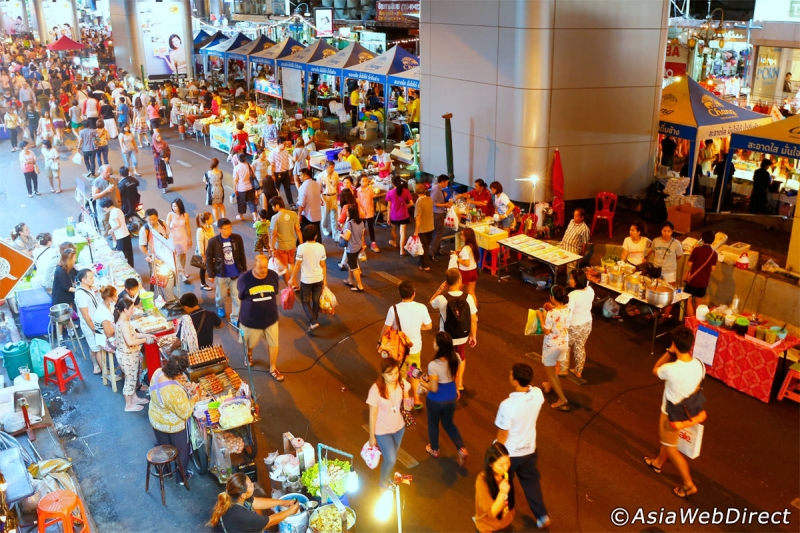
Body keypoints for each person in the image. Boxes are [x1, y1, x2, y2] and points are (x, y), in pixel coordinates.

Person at [643, 327, 702, 499]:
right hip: (688, 410)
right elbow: (698, 386)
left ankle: (688, 485)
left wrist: (669, 351)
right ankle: (658, 462)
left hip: (671, 414)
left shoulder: (671, 368)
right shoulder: (698, 364)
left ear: (675, 345)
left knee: (672, 447)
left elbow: (656, 369)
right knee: (669, 441)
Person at [494, 363, 551, 529]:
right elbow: (534, 392)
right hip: (529, 449)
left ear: (515, 381)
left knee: (505, 484)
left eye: (511, 374)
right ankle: (541, 515)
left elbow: (502, 434)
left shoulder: (507, 405)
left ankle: (506, 512)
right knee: (531, 482)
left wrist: (496, 453)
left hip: (510, 454)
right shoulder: (538, 394)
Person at [418, 331, 468, 466]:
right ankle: (461, 448)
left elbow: (433, 388)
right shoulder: (456, 357)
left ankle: (434, 449)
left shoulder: (434, 365)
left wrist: (423, 382)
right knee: (449, 424)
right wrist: (456, 389)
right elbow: (456, 376)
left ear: (439, 346)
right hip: (451, 396)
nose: (433, 343)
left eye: (435, 342)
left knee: (433, 424)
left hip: (436, 400)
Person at [379, 280, 432, 408]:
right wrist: (418, 328)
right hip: (415, 348)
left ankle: (407, 400)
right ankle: (417, 399)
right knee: (414, 372)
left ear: (399, 293)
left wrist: (380, 342)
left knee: (401, 375)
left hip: (399, 350)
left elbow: (386, 329)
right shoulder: (421, 307)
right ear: (414, 294)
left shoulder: (394, 309)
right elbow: (429, 326)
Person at [148, 356, 198, 485]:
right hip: (173, 425)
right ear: (178, 372)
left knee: (163, 446)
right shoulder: (173, 390)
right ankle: (182, 477)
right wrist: (194, 398)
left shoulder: (157, 372)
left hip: (156, 420)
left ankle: (164, 470)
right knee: (182, 450)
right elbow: (185, 412)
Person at [430, 268, 478, 391]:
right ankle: (459, 381)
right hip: (462, 334)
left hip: (447, 336)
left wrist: (440, 290)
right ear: (459, 280)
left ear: (446, 282)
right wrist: (473, 335)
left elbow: (431, 302)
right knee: (461, 355)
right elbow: (473, 318)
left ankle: (447, 380)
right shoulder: (468, 297)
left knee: (446, 356)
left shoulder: (442, 299)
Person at [367, 358, 411, 488]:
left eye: (396, 373)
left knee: (392, 458)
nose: (394, 377)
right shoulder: (375, 390)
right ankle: (383, 483)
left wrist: (411, 402)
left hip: (399, 427)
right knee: (391, 459)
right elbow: (372, 414)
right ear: (383, 373)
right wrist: (371, 436)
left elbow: (408, 404)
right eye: (390, 374)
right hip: (382, 431)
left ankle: (388, 478)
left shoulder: (402, 383)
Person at [207, 472, 300, 532]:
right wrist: (290, 511)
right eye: (250, 485)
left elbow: (256, 502)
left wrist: (283, 502)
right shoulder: (242, 515)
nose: (253, 484)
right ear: (243, 495)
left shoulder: (234, 495)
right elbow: (270, 522)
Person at [238, 255, 282, 380]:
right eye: (261, 267)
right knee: (251, 343)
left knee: (274, 343)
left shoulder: (273, 275)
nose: (263, 270)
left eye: (265, 267)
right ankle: (249, 354)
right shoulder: (245, 279)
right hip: (251, 320)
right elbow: (241, 295)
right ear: (254, 266)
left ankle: (273, 367)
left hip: (271, 318)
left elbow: (275, 291)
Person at [115, 297, 155, 412]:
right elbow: (130, 341)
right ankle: (129, 405)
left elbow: (134, 335)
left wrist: (147, 335)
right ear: (125, 310)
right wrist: (145, 340)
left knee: (133, 378)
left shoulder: (124, 321)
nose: (134, 310)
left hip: (130, 355)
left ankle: (134, 398)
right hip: (127, 356)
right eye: (132, 308)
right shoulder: (124, 324)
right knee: (130, 380)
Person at [537, 285, 571, 411]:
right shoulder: (568, 309)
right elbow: (560, 318)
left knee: (550, 372)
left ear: (552, 297)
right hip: (563, 343)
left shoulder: (551, 314)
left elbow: (546, 331)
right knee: (555, 366)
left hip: (551, 346)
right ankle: (548, 386)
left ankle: (562, 399)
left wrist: (541, 316)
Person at [206, 218, 246, 322]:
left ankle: (235, 317)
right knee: (221, 296)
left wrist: (244, 270)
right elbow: (209, 258)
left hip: (236, 273)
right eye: (226, 228)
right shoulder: (213, 242)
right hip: (221, 274)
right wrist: (210, 274)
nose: (229, 230)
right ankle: (220, 307)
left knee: (236, 297)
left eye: (230, 227)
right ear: (220, 230)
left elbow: (242, 254)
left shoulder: (237, 238)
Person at [292, 225, 327, 332]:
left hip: (306, 279)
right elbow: (323, 265)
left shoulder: (301, 247)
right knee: (316, 300)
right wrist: (325, 280)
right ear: (316, 236)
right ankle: (314, 319)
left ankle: (313, 321)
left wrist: (292, 278)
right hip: (318, 278)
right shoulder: (321, 247)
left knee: (305, 300)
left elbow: (297, 264)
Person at [475, 442, 516, 533]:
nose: (506, 468)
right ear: (490, 464)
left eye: (508, 462)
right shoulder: (482, 481)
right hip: (489, 528)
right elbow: (492, 512)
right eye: (501, 465)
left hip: (506, 524)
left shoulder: (505, 475)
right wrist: (502, 492)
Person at [561, 269, 594, 380]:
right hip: (587, 323)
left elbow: (568, 313)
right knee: (580, 347)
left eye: (571, 279)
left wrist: (564, 327)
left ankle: (563, 369)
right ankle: (578, 371)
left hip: (575, 325)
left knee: (566, 347)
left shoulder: (573, 295)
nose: (569, 280)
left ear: (577, 281)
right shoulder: (590, 290)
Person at [647, 221, 683, 322]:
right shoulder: (656, 241)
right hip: (657, 271)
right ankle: (655, 313)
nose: (666, 233)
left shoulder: (676, 244)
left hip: (670, 272)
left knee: (668, 294)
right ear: (661, 230)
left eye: (669, 231)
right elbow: (653, 251)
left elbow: (679, 256)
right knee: (655, 292)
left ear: (672, 232)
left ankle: (666, 315)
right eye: (664, 230)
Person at [270, 196, 302, 289]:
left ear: (277, 205)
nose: (272, 208)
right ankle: (295, 282)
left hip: (281, 246)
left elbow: (274, 234)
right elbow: (298, 230)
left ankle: (290, 285)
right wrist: (301, 243)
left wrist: (272, 248)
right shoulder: (293, 214)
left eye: (273, 206)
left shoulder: (275, 218)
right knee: (291, 264)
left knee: (284, 267)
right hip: (292, 245)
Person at [74, 268, 103, 374]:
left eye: (93, 277)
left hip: (95, 322)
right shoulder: (81, 294)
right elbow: (85, 315)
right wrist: (93, 329)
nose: (93, 279)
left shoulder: (88, 288)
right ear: (83, 279)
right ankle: (105, 372)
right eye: (90, 278)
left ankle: (96, 366)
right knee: (97, 348)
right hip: (90, 324)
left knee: (94, 347)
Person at [683, 230, 717, 317]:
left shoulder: (697, 250)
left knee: (689, 300)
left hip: (693, 280)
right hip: (704, 281)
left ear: (702, 239)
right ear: (713, 241)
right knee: (699, 301)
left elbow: (689, 264)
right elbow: (713, 269)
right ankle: (696, 321)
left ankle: (690, 320)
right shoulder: (714, 253)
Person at [100, 198, 133, 267]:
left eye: (103, 208)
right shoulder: (118, 210)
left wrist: (111, 230)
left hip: (121, 236)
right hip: (125, 234)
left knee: (122, 256)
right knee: (128, 254)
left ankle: (126, 269)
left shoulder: (113, 212)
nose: (104, 210)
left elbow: (118, 224)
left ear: (106, 207)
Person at [385, 175, 414, 255]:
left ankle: (394, 242)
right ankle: (402, 250)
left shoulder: (390, 193)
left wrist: (388, 217)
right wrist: (405, 206)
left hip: (394, 215)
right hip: (404, 215)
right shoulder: (405, 191)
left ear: (392, 183)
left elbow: (389, 206)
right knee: (403, 232)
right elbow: (411, 203)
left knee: (393, 229)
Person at [342, 205, 366, 292]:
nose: (346, 213)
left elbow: (347, 237)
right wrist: (363, 246)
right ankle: (350, 280)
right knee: (351, 264)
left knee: (354, 267)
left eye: (348, 212)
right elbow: (362, 235)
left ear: (351, 213)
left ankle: (360, 286)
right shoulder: (361, 222)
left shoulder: (349, 224)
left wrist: (341, 235)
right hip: (358, 246)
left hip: (351, 248)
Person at [454, 227, 479, 307]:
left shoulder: (465, 248)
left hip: (464, 272)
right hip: (473, 271)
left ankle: (457, 308)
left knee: (457, 291)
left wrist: (457, 258)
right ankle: (474, 312)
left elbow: (466, 263)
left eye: (462, 235)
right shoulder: (473, 246)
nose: (461, 236)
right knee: (471, 292)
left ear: (467, 237)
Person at [91, 165, 119, 235]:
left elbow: (117, 191)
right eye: (106, 172)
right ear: (101, 172)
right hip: (104, 210)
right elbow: (94, 197)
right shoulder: (97, 182)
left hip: (114, 207)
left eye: (110, 171)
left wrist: (119, 202)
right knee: (105, 229)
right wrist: (106, 191)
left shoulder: (113, 179)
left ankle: (115, 243)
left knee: (115, 227)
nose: (109, 173)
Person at [412, 183, 434, 271]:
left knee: (423, 247)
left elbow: (418, 217)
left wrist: (416, 231)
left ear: (416, 191)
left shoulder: (419, 201)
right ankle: (423, 262)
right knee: (426, 246)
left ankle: (425, 265)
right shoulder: (429, 199)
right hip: (430, 227)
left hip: (423, 228)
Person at [430, 175, 452, 257]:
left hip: (439, 213)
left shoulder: (439, 189)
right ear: (442, 182)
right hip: (437, 214)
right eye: (446, 182)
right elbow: (432, 202)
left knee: (437, 233)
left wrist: (444, 197)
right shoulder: (436, 189)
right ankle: (431, 252)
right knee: (438, 233)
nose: (447, 184)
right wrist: (444, 205)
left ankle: (437, 250)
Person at [358, 175, 379, 252]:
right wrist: (361, 210)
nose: (365, 182)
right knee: (362, 228)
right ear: (360, 182)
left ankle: (373, 242)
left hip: (370, 211)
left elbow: (372, 200)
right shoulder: (358, 191)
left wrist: (373, 209)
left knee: (371, 227)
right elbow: (358, 202)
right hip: (361, 212)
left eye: (366, 181)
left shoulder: (370, 190)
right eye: (363, 181)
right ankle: (362, 241)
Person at [269, 137, 293, 207]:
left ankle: (291, 203)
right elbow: (272, 165)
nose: (285, 145)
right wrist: (272, 175)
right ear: (279, 144)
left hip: (285, 172)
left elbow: (287, 161)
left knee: (288, 188)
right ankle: (275, 205)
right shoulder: (273, 153)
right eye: (284, 144)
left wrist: (288, 171)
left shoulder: (285, 151)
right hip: (277, 173)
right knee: (276, 190)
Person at [296, 168, 321, 232]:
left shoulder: (303, 187)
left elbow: (302, 204)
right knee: (317, 233)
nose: (299, 177)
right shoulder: (316, 184)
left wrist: (299, 215)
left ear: (305, 176)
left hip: (307, 215)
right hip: (317, 214)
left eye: (300, 175)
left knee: (306, 233)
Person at [201, 157, 226, 222]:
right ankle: (224, 218)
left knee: (214, 207)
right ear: (217, 165)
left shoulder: (207, 173)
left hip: (212, 191)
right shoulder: (220, 172)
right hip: (220, 190)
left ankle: (218, 221)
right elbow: (221, 179)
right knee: (221, 205)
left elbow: (204, 180)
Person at [195, 213, 215, 291]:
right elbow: (200, 243)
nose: (212, 219)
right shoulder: (200, 230)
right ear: (206, 221)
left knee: (211, 266)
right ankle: (203, 284)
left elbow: (213, 238)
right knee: (203, 268)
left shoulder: (211, 227)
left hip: (211, 251)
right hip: (204, 253)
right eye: (211, 218)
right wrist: (203, 256)